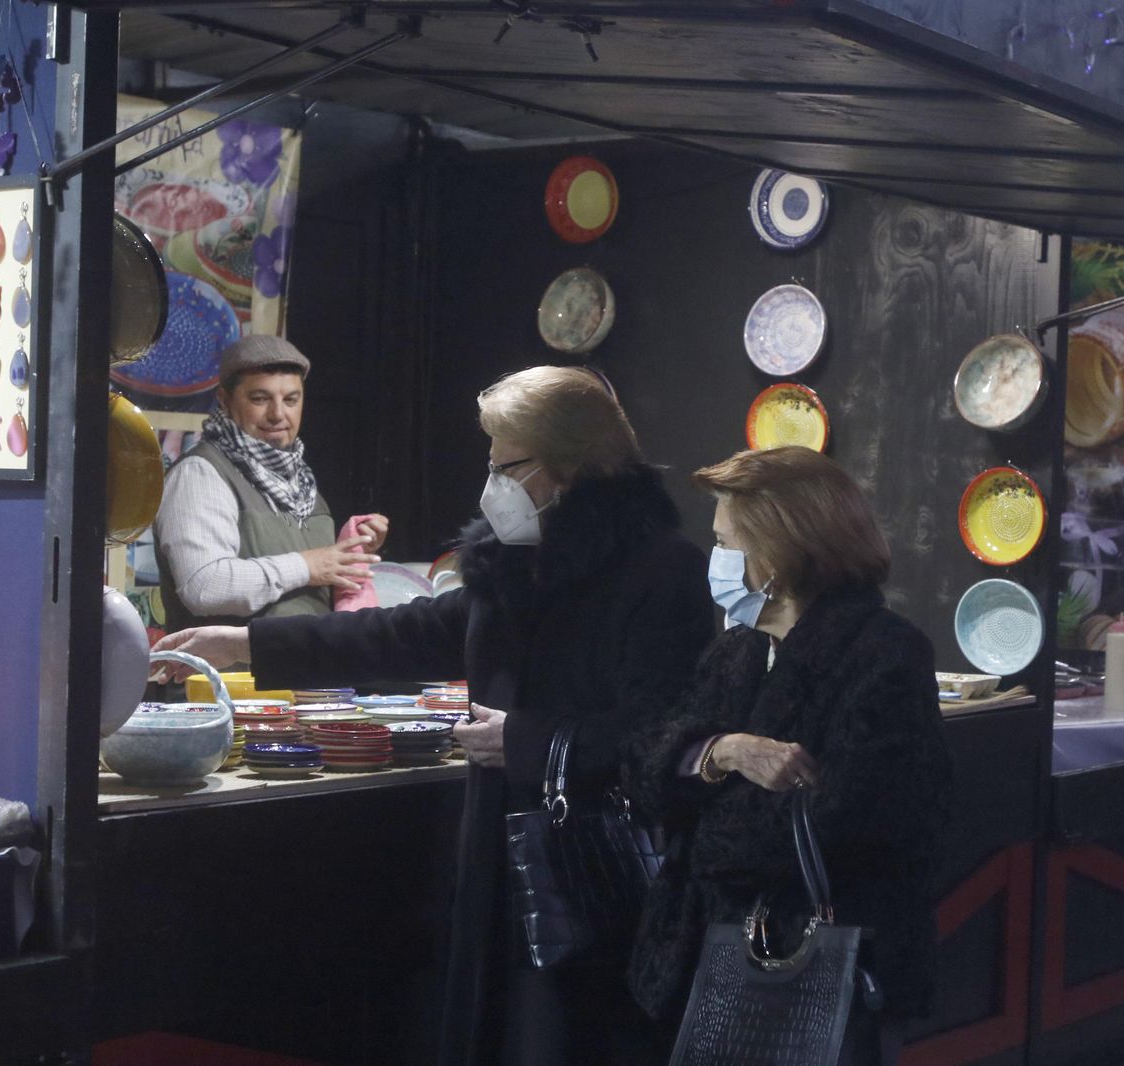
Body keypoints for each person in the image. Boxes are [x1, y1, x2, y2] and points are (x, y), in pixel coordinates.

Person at [153, 366, 714, 1066]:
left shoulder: (662, 572)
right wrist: (248, 642)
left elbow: (667, 733)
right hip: (495, 858)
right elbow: (402, 634)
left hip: (593, 875)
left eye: (507, 465)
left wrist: (526, 741)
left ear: (569, 466)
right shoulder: (509, 564)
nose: (492, 486)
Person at [625, 447, 954, 1065]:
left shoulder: (885, 654)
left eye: (728, 542)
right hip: (707, 953)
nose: (717, 559)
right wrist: (723, 752)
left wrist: (700, 831)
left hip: (810, 957)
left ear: (778, 550)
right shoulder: (737, 651)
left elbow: (860, 816)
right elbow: (647, 757)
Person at [152, 335, 389, 637]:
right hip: (223, 682)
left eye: (291, 399)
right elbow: (205, 586)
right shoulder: (201, 474)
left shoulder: (301, 482)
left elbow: (312, 584)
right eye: (260, 399)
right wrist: (306, 566)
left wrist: (352, 550)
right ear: (224, 400)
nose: (278, 414)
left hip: (299, 678)